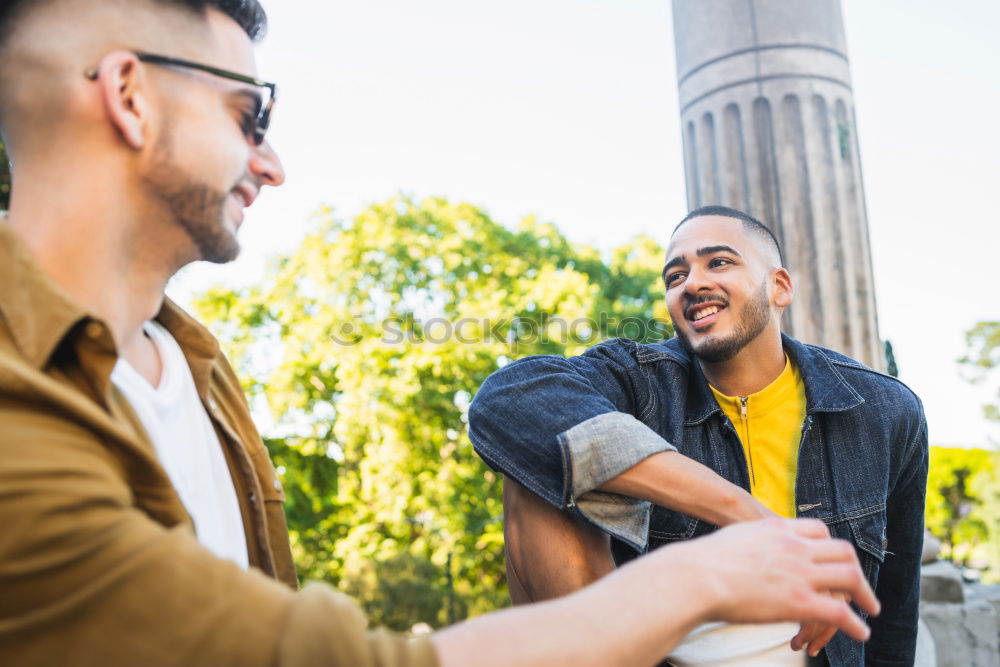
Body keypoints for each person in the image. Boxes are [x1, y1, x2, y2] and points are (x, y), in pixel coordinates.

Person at [0, 1, 881, 665]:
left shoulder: (199, 373)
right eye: (249, 115)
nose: (272, 162)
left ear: (781, 287)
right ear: (129, 96)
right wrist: (711, 569)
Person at [469, 206, 928, 666]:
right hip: (650, 650)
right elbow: (507, 398)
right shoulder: (641, 382)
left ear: (779, 286)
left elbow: (893, 613)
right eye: (675, 275)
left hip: (806, 654)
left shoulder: (884, 411)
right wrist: (747, 514)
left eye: (719, 262)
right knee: (542, 458)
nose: (692, 283)